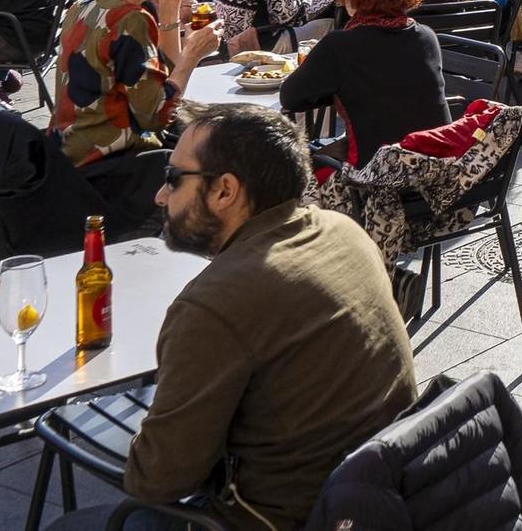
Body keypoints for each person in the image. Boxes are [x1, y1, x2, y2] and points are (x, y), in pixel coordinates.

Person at [72, 105, 416, 531]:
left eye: (174, 177)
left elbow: (156, 481)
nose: (160, 196)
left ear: (225, 191)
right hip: (380, 493)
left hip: (282, 518)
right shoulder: (341, 229)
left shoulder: (213, 306)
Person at [52, 0, 221, 180]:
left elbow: (156, 85)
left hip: (71, 152)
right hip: (113, 166)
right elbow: (157, 116)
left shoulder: (85, 5)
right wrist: (193, 54)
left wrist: (169, 9)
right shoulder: (130, 19)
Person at [280, 0, 450, 167]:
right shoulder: (425, 36)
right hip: (436, 169)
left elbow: (290, 96)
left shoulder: (340, 45)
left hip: (376, 180)